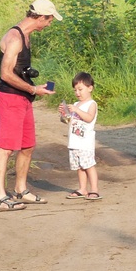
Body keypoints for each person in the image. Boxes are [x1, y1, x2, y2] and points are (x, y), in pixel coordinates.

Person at [0, 0, 62, 212]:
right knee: (5, 149)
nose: (49, 24)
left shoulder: (27, 36)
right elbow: (5, 74)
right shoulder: (14, 38)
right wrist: (33, 89)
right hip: (9, 100)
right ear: (40, 18)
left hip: (23, 99)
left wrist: (33, 88)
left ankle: (21, 190)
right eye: (49, 20)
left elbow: (18, 71)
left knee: (28, 146)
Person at [59, 72, 100, 200]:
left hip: (85, 143)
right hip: (74, 142)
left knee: (89, 166)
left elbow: (89, 118)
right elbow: (67, 120)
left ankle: (94, 189)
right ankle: (82, 188)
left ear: (90, 88)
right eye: (75, 90)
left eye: (80, 89)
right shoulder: (76, 105)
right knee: (80, 167)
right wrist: (64, 113)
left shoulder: (91, 104)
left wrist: (76, 111)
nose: (78, 93)